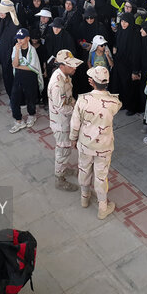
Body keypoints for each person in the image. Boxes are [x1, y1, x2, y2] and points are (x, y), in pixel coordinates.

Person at [70, 66, 121, 219]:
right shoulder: (114, 102)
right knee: (101, 175)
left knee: (84, 169)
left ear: (91, 82)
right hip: (104, 146)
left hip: (85, 144)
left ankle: (84, 198)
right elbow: (115, 107)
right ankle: (102, 207)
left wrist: (73, 138)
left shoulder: (82, 100)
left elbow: (75, 124)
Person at [48, 49, 83, 191]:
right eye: (71, 66)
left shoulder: (65, 76)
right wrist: (78, 111)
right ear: (61, 66)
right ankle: (59, 179)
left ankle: (63, 169)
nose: (74, 68)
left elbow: (69, 97)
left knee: (66, 149)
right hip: (61, 124)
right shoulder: (57, 84)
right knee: (62, 151)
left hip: (66, 121)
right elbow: (61, 108)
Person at [9, 28, 43, 133]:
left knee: (30, 98)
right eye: (18, 38)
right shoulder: (16, 49)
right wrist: (18, 50)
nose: (19, 41)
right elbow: (14, 64)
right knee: (14, 99)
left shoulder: (32, 50)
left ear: (28, 38)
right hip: (18, 77)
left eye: (22, 38)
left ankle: (32, 115)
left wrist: (19, 66)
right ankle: (18, 121)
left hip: (30, 77)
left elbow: (33, 67)